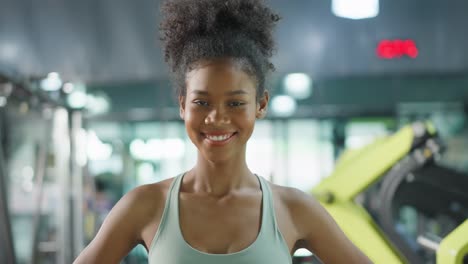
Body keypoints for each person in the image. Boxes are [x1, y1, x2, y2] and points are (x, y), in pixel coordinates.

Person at [74, 0, 372, 263]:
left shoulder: (294, 209)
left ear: (261, 104)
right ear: (182, 105)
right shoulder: (145, 205)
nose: (217, 118)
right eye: (201, 102)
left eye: (235, 103)